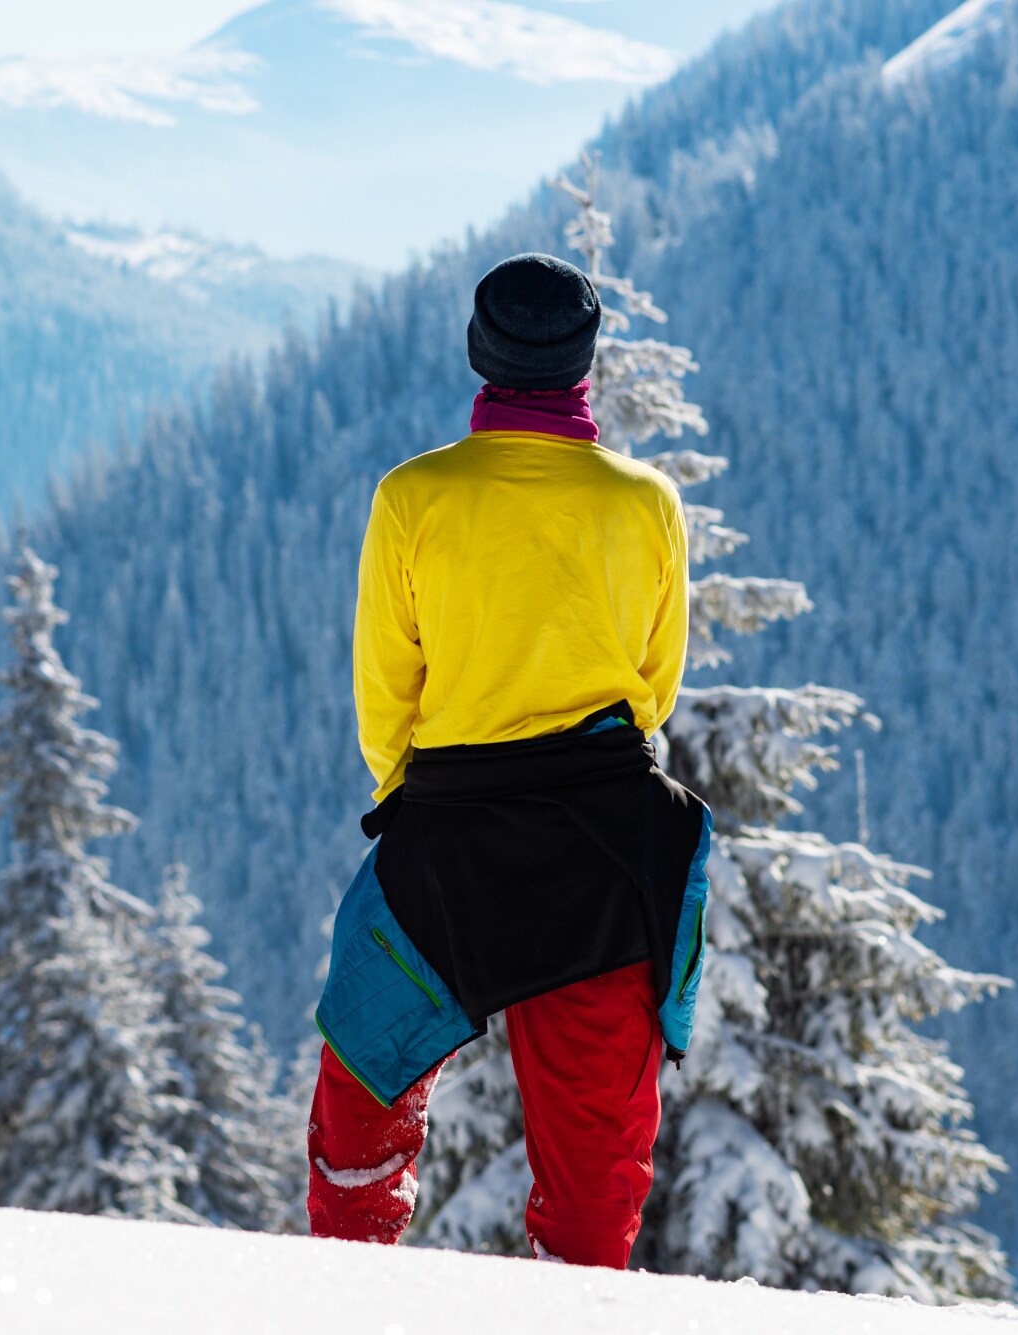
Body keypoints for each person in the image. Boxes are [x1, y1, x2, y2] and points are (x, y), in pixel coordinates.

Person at [306, 252, 711, 1268]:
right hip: (606, 848)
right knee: (594, 1165)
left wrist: (411, 806)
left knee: (363, 1102)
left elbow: (385, 691)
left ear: (478, 353)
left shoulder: (414, 495)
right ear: (586, 360)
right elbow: (654, 686)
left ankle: (345, 1303)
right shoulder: (645, 503)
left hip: (448, 832)